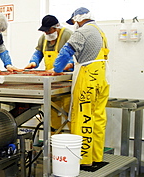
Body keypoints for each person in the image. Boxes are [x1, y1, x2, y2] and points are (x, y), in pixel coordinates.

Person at [52, 7, 110, 167]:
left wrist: (56, 70)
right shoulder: (100, 32)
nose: (74, 25)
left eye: (74, 22)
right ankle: (96, 157)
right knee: (98, 118)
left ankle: (83, 160)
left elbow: (65, 52)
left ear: (78, 19)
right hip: (102, 77)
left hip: (88, 79)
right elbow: (90, 55)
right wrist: (72, 64)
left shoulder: (82, 32)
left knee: (83, 117)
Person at [25, 15, 74, 131]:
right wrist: (33, 62)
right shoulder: (44, 38)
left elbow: (73, 55)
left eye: (48, 30)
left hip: (67, 81)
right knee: (52, 112)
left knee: (70, 112)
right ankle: (52, 142)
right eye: (45, 31)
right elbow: (38, 52)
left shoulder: (68, 35)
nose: (47, 33)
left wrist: (66, 66)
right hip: (51, 82)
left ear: (56, 27)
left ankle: (74, 142)